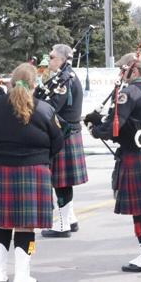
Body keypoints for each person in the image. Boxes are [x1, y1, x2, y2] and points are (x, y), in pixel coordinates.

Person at [0, 63, 64, 282]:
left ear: (11, 82)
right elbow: (58, 142)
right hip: (32, 171)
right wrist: (40, 158)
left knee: (0, 222)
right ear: (35, 85)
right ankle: (22, 276)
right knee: (25, 225)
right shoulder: (43, 108)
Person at [85, 53, 141, 273]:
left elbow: (114, 127)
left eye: (122, 70)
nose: (120, 75)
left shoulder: (128, 93)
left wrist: (94, 129)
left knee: (140, 210)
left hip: (137, 156)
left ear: (134, 71)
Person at [39, 44, 89, 239]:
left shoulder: (64, 78)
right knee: (62, 181)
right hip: (68, 133)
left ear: (61, 59)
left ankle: (62, 224)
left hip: (64, 134)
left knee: (60, 182)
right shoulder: (66, 75)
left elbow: (51, 106)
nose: (49, 59)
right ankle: (71, 218)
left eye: (51, 57)